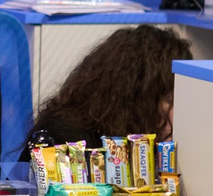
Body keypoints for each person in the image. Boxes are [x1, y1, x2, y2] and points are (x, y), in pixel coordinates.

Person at [24, 24, 193, 153]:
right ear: (138, 98)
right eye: (170, 101)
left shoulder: (126, 136)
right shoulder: (67, 137)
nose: (177, 115)